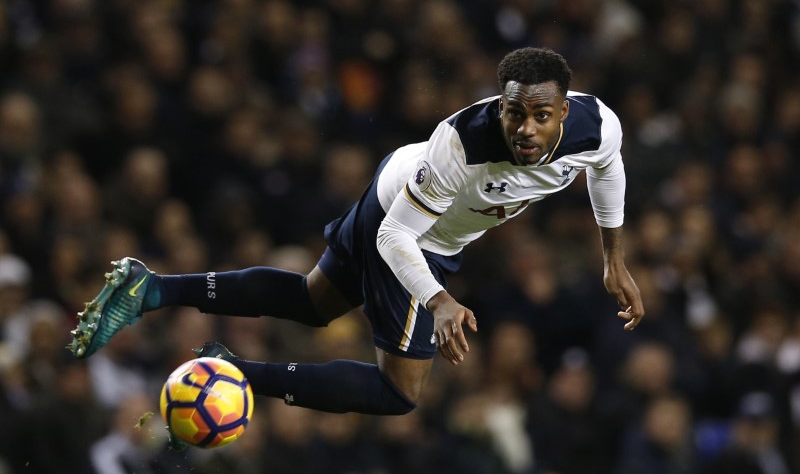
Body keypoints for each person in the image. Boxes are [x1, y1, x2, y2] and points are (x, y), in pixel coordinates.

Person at [68, 47, 644, 422]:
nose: (525, 128)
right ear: (500, 105)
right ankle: (233, 374)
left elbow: (609, 170)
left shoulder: (598, 127)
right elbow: (396, 238)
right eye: (514, 113)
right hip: (412, 228)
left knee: (312, 302)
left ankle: (153, 290)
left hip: (400, 193)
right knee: (400, 392)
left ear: (565, 111)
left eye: (540, 116)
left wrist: (613, 259)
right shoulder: (463, 147)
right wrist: (439, 302)